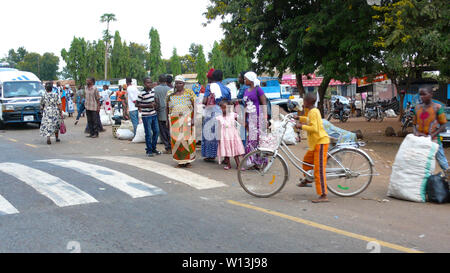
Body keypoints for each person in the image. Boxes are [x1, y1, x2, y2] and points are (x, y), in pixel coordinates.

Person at [296, 92, 330, 203]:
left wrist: (301, 126)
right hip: (314, 144)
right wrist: (299, 118)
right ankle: (308, 179)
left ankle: (323, 194)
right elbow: (308, 120)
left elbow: (314, 128)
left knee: (319, 170)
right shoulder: (311, 111)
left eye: (304, 101)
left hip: (320, 143)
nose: (302, 103)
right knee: (306, 162)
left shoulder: (314, 112)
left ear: (308, 102)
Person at [413, 86, 450, 178]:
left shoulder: (437, 107)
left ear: (431, 95)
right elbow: (414, 124)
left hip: (434, 140)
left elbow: (443, 125)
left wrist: (432, 135)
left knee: (442, 161)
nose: (422, 97)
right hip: (420, 140)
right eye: (420, 94)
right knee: (421, 163)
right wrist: (415, 133)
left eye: (424, 94)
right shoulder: (417, 108)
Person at [166, 76, 197, 168]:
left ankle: (188, 161)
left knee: (187, 140)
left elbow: (194, 106)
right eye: (176, 83)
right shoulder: (170, 94)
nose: (178, 85)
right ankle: (180, 161)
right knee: (177, 140)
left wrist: (192, 119)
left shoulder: (189, 93)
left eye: (180, 83)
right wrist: (167, 120)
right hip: (174, 119)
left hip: (187, 119)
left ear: (184, 84)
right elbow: (167, 107)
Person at [202, 69, 232, 163]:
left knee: (210, 134)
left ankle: (211, 155)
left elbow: (204, 101)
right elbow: (229, 103)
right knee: (223, 135)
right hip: (223, 113)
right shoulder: (227, 88)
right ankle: (226, 157)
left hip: (211, 113)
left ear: (212, 77)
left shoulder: (209, 87)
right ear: (222, 78)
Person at [242, 71, 267, 165]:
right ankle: (252, 161)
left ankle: (260, 162)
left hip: (258, 117)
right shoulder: (246, 91)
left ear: (251, 80)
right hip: (251, 118)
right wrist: (244, 120)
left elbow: (264, 103)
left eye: (246, 79)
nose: (244, 80)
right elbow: (245, 106)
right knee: (251, 140)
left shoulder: (258, 90)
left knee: (259, 140)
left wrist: (265, 118)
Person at [216, 99, 245, 170]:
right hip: (224, 136)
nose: (224, 109)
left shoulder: (232, 114)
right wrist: (219, 137)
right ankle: (228, 164)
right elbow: (218, 128)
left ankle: (238, 164)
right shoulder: (219, 117)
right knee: (226, 150)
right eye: (222, 108)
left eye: (225, 107)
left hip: (233, 135)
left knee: (235, 150)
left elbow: (239, 122)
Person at [136, 77, 160, 157]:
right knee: (148, 133)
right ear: (144, 83)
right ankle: (149, 150)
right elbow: (137, 104)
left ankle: (153, 148)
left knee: (156, 131)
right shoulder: (141, 93)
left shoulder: (154, 91)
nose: (149, 84)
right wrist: (147, 105)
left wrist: (156, 104)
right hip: (146, 116)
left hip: (154, 114)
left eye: (150, 82)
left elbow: (156, 102)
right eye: (147, 83)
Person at [154, 74, 172, 154]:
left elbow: (156, 101)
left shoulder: (156, 89)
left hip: (160, 113)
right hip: (169, 113)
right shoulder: (170, 89)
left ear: (159, 80)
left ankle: (168, 147)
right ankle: (172, 146)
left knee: (163, 131)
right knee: (169, 130)